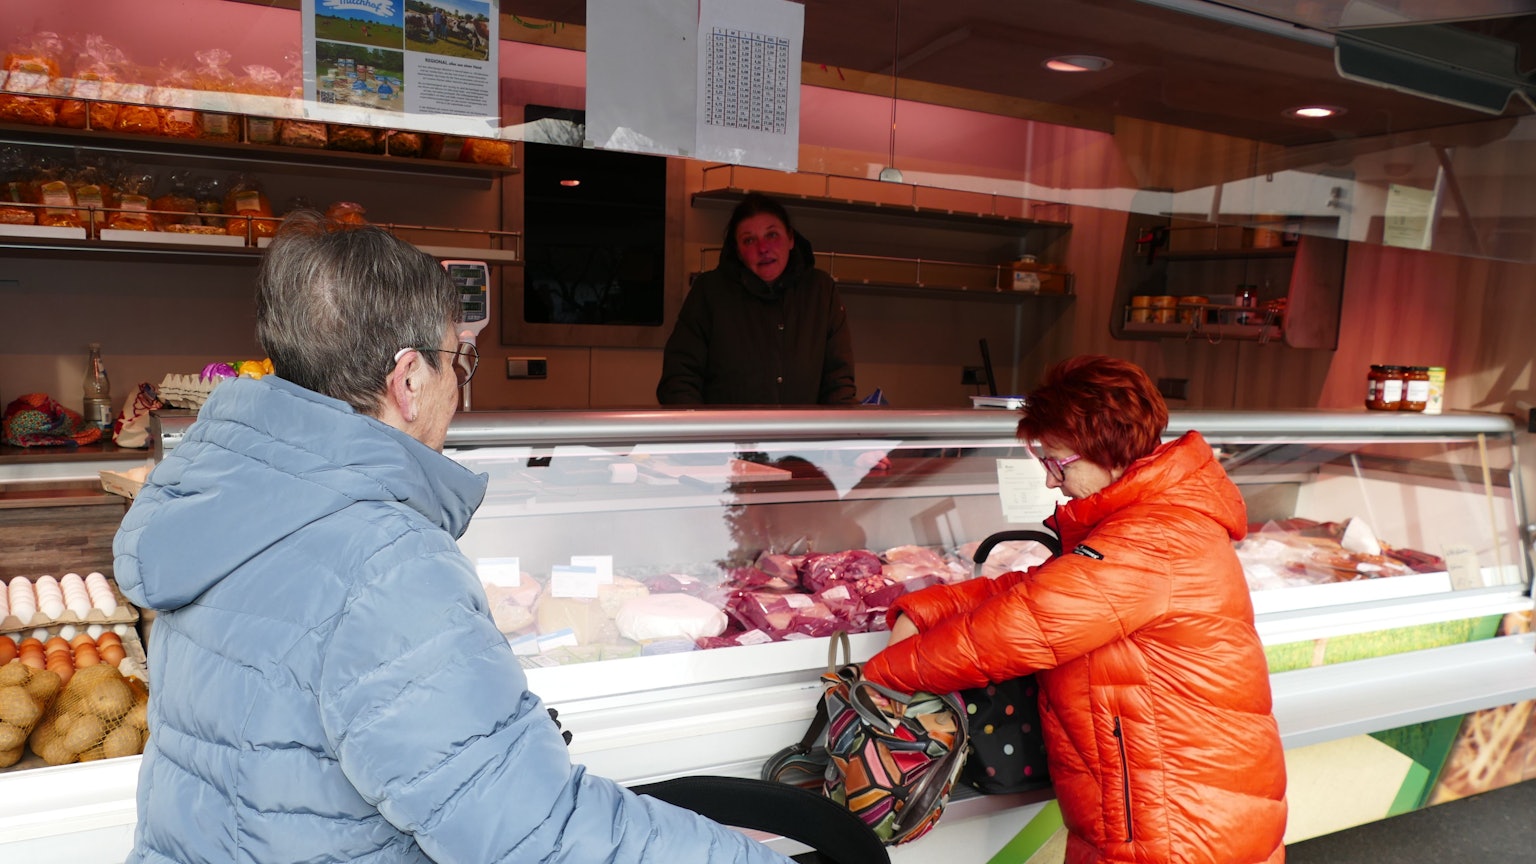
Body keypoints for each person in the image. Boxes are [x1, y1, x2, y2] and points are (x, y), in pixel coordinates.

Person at [113, 213, 795, 864]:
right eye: (456, 362)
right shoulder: (385, 565)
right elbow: (533, 836)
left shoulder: (230, 501)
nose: (457, 387)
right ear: (409, 379)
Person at [862, 355, 1287, 864]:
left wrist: (880, 674)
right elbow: (1041, 590)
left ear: (1108, 449)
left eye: (1056, 463)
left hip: (1177, 823)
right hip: (1165, 805)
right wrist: (926, 610)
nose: (1050, 482)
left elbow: (1023, 626)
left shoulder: (1156, 535)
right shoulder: (1146, 520)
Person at [657, 192, 855, 406]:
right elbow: (679, 379)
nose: (763, 248)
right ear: (738, 251)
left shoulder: (821, 290)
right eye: (749, 240)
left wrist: (839, 425)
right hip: (725, 427)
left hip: (805, 428)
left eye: (772, 235)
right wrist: (699, 425)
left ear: (790, 239)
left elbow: (839, 382)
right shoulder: (709, 292)